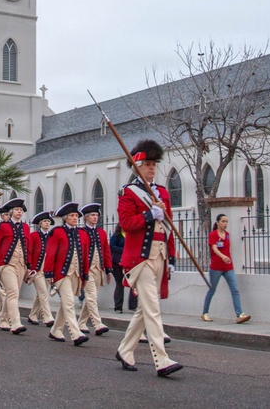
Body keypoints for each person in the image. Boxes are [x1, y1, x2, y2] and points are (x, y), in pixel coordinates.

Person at [115, 139, 183, 377]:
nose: (152, 168)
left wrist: (171, 258)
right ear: (137, 166)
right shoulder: (128, 193)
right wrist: (147, 214)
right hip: (139, 259)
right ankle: (161, 360)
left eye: (154, 164)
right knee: (152, 309)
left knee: (145, 309)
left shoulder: (162, 192)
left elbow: (169, 227)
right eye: (147, 164)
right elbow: (126, 224)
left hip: (160, 255)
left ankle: (125, 349)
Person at [44, 202, 90, 346]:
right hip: (61, 273)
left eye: (76, 215)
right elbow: (51, 253)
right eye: (72, 216)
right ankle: (75, 334)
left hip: (76, 273)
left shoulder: (82, 234)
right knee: (69, 302)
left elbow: (85, 255)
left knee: (66, 303)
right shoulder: (57, 232)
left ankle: (56, 330)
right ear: (65, 218)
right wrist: (48, 273)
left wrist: (85, 275)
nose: (75, 218)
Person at [0, 198, 33, 335]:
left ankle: (3, 320)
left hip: (21, 264)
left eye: (21, 210)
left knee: (12, 294)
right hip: (6, 264)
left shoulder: (26, 227)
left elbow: (28, 247)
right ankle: (15, 323)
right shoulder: (3, 226)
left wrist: (29, 265)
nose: (19, 212)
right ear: (10, 212)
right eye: (16, 209)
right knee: (13, 292)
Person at [201, 213, 251, 324]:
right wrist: (223, 256)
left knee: (235, 289)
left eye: (226, 221)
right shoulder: (213, 234)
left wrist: (227, 258)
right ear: (217, 222)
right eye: (223, 221)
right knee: (212, 289)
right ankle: (205, 312)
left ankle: (239, 314)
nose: (225, 224)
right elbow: (214, 248)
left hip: (228, 267)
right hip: (216, 267)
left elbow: (227, 249)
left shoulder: (227, 235)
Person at [78, 203, 112, 336]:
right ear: (86, 217)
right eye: (92, 215)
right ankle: (97, 323)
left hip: (99, 269)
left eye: (97, 215)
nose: (95, 217)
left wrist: (108, 269)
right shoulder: (81, 232)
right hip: (87, 270)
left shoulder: (101, 232)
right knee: (91, 296)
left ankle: (81, 322)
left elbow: (106, 251)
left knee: (91, 297)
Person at [26, 211, 55, 327]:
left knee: (40, 294)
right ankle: (47, 317)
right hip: (36, 269)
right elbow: (30, 251)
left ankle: (32, 315)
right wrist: (29, 267)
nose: (47, 223)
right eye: (45, 221)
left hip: (47, 268)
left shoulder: (52, 236)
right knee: (43, 293)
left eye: (48, 221)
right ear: (40, 224)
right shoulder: (34, 236)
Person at [110, 223, 137, 312]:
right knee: (119, 283)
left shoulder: (131, 235)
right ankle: (118, 307)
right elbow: (112, 246)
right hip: (117, 263)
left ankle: (133, 306)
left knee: (133, 284)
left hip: (130, 263)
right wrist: (124, 250)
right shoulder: (116, 236)